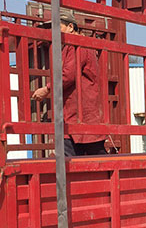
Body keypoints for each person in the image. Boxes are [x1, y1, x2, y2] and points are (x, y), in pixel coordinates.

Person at [31, 11, 107, 157]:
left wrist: (47, 89)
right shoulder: (74, 46)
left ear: (70, 27)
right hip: (78, 115)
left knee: (74, 158)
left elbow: (68, 75)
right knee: (92, 158)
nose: (54, 32)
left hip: (80, 115)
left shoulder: (78, 45)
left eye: (57, 27)